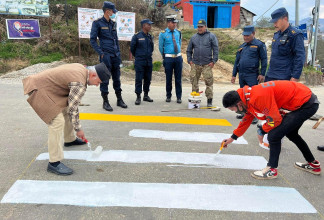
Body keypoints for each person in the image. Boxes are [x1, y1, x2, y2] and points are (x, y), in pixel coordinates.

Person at [22, 63, 110, 175]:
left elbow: (70, 104)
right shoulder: (79, 84)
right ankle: (54, 163)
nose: (97, 85)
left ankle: (69, 139)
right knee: (57, 121)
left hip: (45, 86)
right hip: (38, 89)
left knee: (66, 108)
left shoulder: (82, 68)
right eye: (98, 82)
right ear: (93, 75)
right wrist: (78, 129)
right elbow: (74, 109)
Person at [222, 81, 321, 180]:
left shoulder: (257, 97)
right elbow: (245, 121)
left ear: (239, 104)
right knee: (291, 134)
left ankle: (271, 170)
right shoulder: (247, 98)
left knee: (274, 135)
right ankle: (313, 164)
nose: (235, 112)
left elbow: (275, 120)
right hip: (304, 101)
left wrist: (262, 130)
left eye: (233, 109)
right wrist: (232, 138)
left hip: (307, 104)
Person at [90, 1, 127, 111]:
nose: (114, 13)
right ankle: (105, 102)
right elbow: (92, 40)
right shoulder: (97, 23)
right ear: (107, 11)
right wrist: (101, 53)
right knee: (104, 79)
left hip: (115, 55)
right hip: (105, 56)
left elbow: (116, 40)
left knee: (117, 79)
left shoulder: (113, 23)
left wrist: (119, 54)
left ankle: (119, 99)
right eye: (113, 11)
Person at [232, 25, 267, 125]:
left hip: (252, 74)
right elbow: (236, 62)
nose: (245, 37)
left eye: (247, 35)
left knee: (253, 95)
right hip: (242, 74)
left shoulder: (259, 45)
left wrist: (262, 73)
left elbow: (264, 60)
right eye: (244, 35)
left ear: (253, 34)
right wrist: (234, 75)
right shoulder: (242, 46)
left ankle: (255, 115)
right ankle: (245, 113)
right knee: (243, 95)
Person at [265, 7, 305, 82]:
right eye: (273, 22)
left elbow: (300, 57)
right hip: (271, 75)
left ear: (285, 19)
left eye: (276, 21)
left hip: (284, 77)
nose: (274, 25)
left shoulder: (295, 35)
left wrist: (295, 77)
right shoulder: (276, 35)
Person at [186, 19, 218, 107]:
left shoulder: (211, 36)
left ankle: (209, 100)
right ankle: (195, 100)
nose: (199, 29)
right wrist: (190, 60)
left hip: (207, 64)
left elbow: (215, 49)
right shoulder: (194, 37)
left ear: (205, 27)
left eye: (201, 27)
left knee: (209, 82)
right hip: (195, 64)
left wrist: (214, 61)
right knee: (194, 82)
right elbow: (189, 50)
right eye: (198, 27)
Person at [159, 16, 183, 103]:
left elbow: (179, 43)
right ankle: (168, 96)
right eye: (173, 23)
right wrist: (165, 56)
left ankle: (179, 97)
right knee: (168, 78)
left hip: (178, 58)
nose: (175, 24)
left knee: (178, 78)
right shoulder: (163, 33)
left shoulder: (178, 33)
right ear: (168, 23)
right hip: (168, 58)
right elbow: (161, 47)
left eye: (175, 23)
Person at [130, 19, 154, 105]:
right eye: (149, 25)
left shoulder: (150, 36)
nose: (150, 26)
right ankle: (138, 96)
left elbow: (152, 48)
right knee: (139, 79)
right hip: (140, 61)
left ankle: (146, 95)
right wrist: (138, 56)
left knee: (148, 79)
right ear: (144, 26)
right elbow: (132, 48)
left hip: (148, 61)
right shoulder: (137, 36)